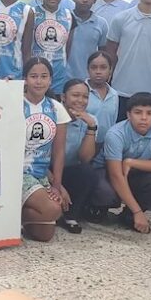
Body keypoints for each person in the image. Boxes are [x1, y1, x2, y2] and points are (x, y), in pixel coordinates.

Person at [91, 93, 151, 233]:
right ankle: (98, 208)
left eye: (150, 113)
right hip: (106, 171)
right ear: (128, 115)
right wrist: (138, 212)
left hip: (134, 172)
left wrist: (131, 162)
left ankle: (128, 215)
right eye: (138, 112)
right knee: (108, 194)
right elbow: (116, 176)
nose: (144, 118)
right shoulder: (116, 133)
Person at [21, 57, 70, 241]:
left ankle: (14, 215)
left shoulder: (56, 108)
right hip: (17, 172)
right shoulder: (14, 102)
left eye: (44, 76)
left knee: (45, 235)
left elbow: (58, 151)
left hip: (41, 174)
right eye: (33, 76)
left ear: (51, 79)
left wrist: (56, 185)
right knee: (52, 209)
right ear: (25, 78)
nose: (39, 81)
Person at [59, 79, 100, 233]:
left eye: (85, 97)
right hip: (46, 171)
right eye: (75, 95)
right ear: (63, 97)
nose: (80, 100)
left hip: (70, 171)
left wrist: (91, 127)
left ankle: (71, 215)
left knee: (88, 171)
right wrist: (57, 185)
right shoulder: (53, 116)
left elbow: (85, 158)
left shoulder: (91, 120)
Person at [23, 0, 72, 93]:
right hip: (36, 75)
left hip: (59, 75)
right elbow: (25, 48)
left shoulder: (69, 15)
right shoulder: (31, 13)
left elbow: (68, 48)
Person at [67, 0, 109, 81]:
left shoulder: (101, 24)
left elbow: (103, 54)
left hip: (89, 81)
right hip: (63, 79)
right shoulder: (64, 19)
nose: (85, 0)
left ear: (94, 0)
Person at [85, 50, 120, 147]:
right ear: (88, 70)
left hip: (106, 145)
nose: (98, 72)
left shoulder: (114, 94)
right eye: (94, 67)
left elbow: (113, 122)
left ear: (110, 70)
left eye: (103, 68)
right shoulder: (81, 92)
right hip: (84, 144)